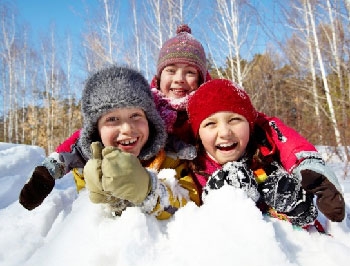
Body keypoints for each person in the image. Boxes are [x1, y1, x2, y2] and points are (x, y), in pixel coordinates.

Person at [19, 24, 345, 224]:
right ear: (158, 75)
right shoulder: (140, 109)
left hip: (193, 187)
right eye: (171, 70)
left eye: (190, 72)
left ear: (201, 77)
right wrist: (54, 166)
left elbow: (265, 125)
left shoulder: (214, 108)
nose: (180, 79)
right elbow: (88, 135)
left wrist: (306, 164)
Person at [21, 65, 200, 219]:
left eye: (135, 115)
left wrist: (149, 190)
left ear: (150, 120)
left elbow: (188, 203)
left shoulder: (168, 157)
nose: (127, 128)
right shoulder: (86, 162)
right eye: (112, 119)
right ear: (96, 130)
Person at [187, 79, 345, 227]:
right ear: (198, 135)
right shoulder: (192, 171)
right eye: (210, 123)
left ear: (250, 125)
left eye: (234, 120)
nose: (225, 132)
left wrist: (296, 209)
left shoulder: (267, 158)